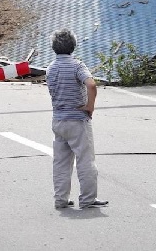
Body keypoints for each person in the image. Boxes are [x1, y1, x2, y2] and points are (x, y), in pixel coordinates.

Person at [47, 28, 107, 210]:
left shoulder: (51, 68)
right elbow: (91, 84)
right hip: (77, 120)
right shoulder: (77, 66)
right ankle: (88, 199)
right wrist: (90, 106)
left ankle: (61, 199)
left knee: (61, 162)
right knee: (85, 159)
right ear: (73, 46)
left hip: (58, 119)